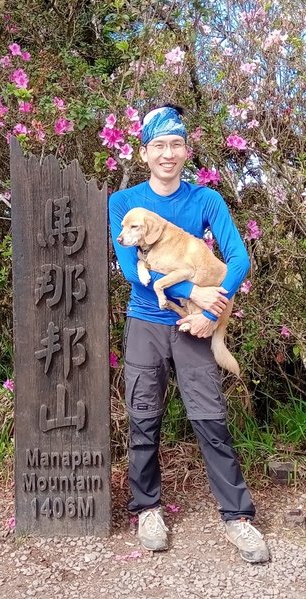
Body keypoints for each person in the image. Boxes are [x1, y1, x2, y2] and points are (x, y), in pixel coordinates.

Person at [108, 105, 269, 563]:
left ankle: (237, 517)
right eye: (158, 144)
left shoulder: (205, 200)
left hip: (196, 327)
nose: (168, 153)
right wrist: (195, 292)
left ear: (186, 150)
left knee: (210, 418)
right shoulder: (125, 204)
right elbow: (131, 270)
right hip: (146, 322)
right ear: (144, 153)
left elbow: (238, 259)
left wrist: (210, 307)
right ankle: (148, 509)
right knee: (143, 418)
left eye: (176, 144)